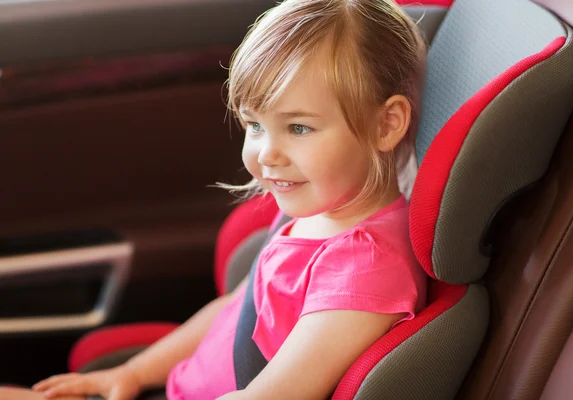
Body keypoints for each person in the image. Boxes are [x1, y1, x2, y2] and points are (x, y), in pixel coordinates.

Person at [0, 0, 427, 398]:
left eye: (298, 128)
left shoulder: (365, 268)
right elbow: (235, 307)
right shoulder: (322, 213)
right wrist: (132, 372)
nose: (265, 154)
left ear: (386, 124)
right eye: (254, 125)